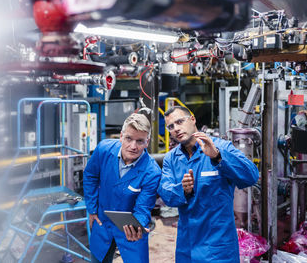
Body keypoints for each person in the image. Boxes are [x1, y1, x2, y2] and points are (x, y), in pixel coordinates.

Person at [158, 106, 259, 262]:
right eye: (171, 126)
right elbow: (166, 194)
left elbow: (251, 176)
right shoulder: (171, 159)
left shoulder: (220, 147)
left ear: (192, 119)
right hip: (187, 247)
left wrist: (218, 156)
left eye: (179, 122)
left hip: (218, 248)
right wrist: (183, 190)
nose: (176, 129)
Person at [83, 113, 161, 263]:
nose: (133, 146)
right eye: (129, 138)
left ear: (147, 142)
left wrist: (137, 227)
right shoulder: (104, 150)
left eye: (140, 141)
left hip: (131, 230)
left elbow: (143, 207)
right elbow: (90, 176)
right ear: (121, 136)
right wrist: (92, 209)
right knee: (98, 259)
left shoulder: (152, 172)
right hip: (102, 222)